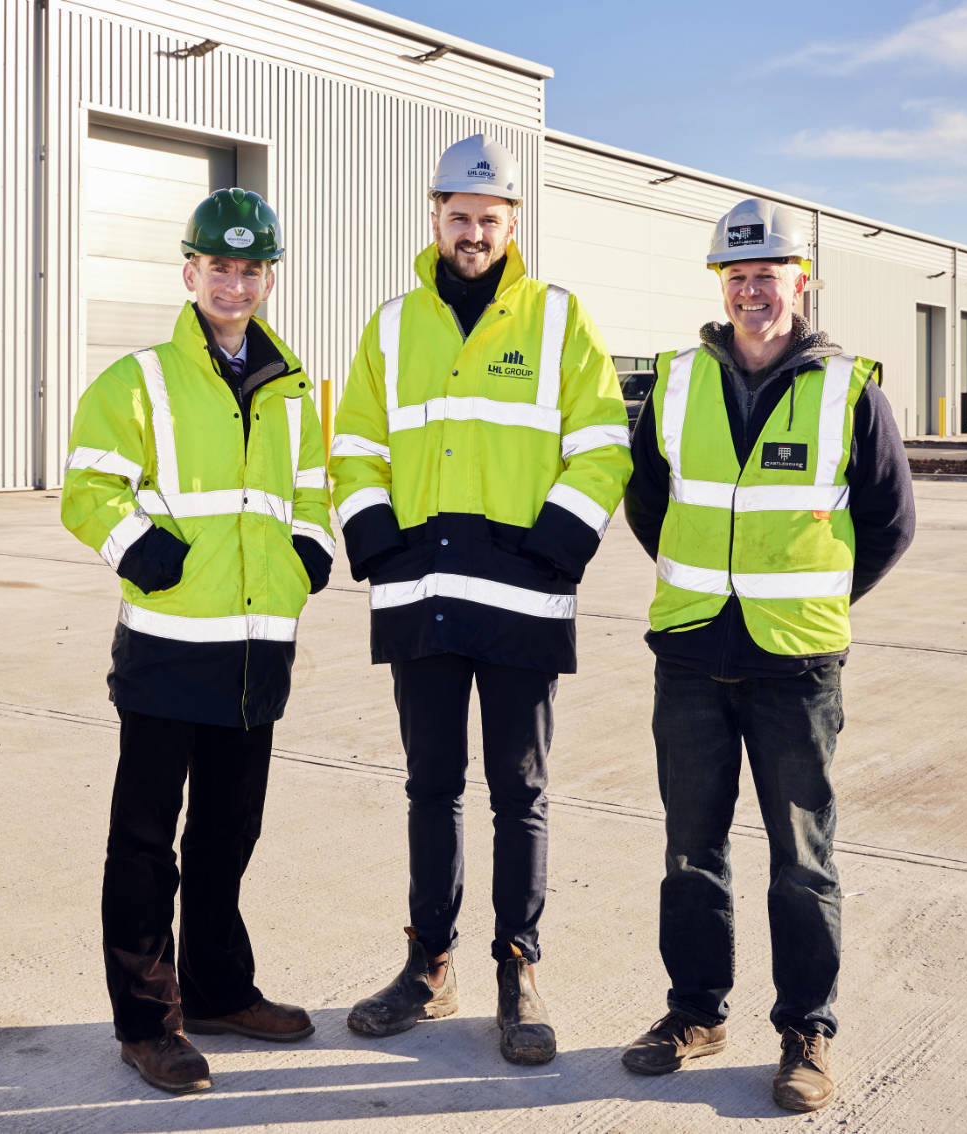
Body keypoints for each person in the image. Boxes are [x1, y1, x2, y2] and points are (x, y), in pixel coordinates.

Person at [328, 135, 632, 1066]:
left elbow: (605, 442)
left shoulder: (559, 321)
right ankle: (428, 965)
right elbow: (353, 444)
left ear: (512, 225)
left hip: (521, 600)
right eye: (457, 217)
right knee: (431, 788)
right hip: (421, 595)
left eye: (487, 220)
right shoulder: (390, 326)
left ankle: (517, 970)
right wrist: (375, 538)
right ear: (434, 217)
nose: (471, 233)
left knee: (520, 792)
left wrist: (560, 542)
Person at [619, 198, 915, 1111]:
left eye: (769, 275)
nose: (753, 292)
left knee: (803, 856)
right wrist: (707, 588)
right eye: (737, 276)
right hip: (692, 654)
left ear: (801, 282)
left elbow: (889, 524)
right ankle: (697, 1013)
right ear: (722, 284)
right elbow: (647, 502)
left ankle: (806, 1032)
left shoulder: (849, 389)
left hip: (797, 666)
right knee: (690, 849)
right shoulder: (674, 382)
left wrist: (813, 597)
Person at [60, 188, 334, 1095]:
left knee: (228, 833)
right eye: (220, 266)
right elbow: (89, 489)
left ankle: (219, 989)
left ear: (268, 280)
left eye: (252, 269)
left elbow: (313, 490)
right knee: (145, 845)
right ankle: (148, 1023)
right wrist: (146, 551)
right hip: (171, 647)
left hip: (258, 650)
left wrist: (310, 551)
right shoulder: (138, 380)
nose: (236, 283)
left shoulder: (294, 389)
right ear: (192, 272)